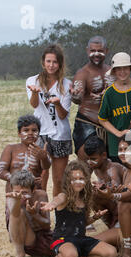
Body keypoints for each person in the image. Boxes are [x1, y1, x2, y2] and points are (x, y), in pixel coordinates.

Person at [40, 160, 117, 257]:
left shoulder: (84, 199)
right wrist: (52, 204)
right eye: (74, 179)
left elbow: (83, 223)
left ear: (86, 180)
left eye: (81, 178)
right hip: (61, 240)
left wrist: (95, 217)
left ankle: (80, 256)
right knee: (70, 256)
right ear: (68, 181)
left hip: (80, 239)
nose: (78, 182)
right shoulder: (64, 196)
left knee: (111, 253)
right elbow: (58, 199)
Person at [26, 44, 73, 197]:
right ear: (43, 62)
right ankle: (41, 214)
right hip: (40, 133)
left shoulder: (66, 84)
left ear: (60, 64)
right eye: (48, 61)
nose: (51, 65)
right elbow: (34, 104)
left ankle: (58, 215)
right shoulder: (33, 81)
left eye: (55, 62)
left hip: (60, 134)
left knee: (59, 180)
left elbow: (62, 115)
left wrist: (58, 103)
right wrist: (34, 93)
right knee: (39, 178)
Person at [98, 52, 131, 162]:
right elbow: (102, 119)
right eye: (119, 69)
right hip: (116, 146)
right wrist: (118, 133)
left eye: (125, 68)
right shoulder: (109, 93)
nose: (122, 72)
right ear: (114, 71)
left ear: (130, 68)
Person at [71, 36, 113, 161]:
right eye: (93, 50)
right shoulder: (83, 73)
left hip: (110, 125)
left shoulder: (113, 72)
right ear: (87, 50)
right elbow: (77, 98)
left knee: (113, 167)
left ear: (106, 51)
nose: (96, 54)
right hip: (87, 124)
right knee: (85, 167)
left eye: (100, 50)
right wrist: (76, 95)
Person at [5, 170, 54, 257]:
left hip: (40, 238)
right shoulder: (11, 197)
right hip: (21, 239)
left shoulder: (40, 195)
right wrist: (17, 201)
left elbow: (47, 224)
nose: (20, 195)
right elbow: (14, 215)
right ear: (11, 189)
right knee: (19, 212)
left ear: (33, 190)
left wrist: (34, 214)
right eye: (17, 192)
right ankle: (20, 254)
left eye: (24, 193)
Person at [0, 115, 50, 192]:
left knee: (42, 195)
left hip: (34, 191)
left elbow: (46, 166)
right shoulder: (11, 149)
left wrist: (44, 158)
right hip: (14, 192)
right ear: (19, 133)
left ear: (39, 133)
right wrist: (18, 181)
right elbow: (1, 172)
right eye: (26, 130)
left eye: (34, 130)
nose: (30, 133)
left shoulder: (40, 151)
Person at [83, 135, 126, 229]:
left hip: (125, 205)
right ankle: (112, 226)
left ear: (104, 155)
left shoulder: (112, 168)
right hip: (113, 203)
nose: (90, 162)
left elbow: (116, 190)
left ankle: (118, 223)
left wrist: (104, 187)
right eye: (88, 159)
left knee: (97, 194)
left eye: (93, 159)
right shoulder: (95, 166)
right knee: (91, 194)